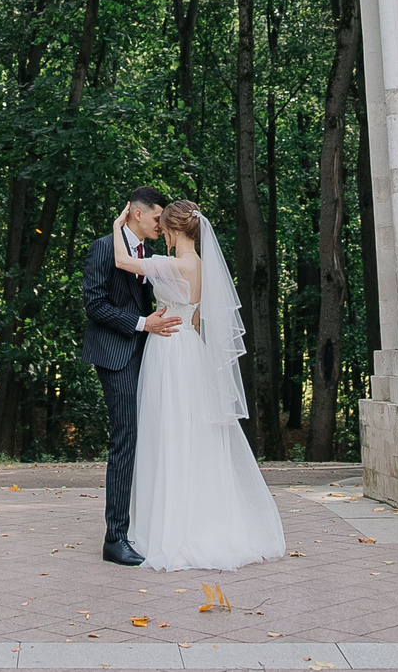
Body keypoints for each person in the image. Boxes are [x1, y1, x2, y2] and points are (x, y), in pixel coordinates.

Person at [105, 197, 287, 571]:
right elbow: (198, 316)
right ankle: (200, 516)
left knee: (166, 432)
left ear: (173, 230)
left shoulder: (174, 264)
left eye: (163, 228)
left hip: (169, 353)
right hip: (190, 349)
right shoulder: (200, 265)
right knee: (191, 434)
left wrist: (116, 225)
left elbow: (122, 261)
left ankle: (170, 525)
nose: (162, 234)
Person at [81, 186, 180, 566]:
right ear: (138, 214)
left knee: (147, 438)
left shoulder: (149, 254)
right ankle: (115, 538)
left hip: (146, 355)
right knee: (125, 438)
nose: (161, 224)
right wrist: (141, 324)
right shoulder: (105, 247)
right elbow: (95, 305)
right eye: (157, 218)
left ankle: (142, 526)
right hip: (116, 355)